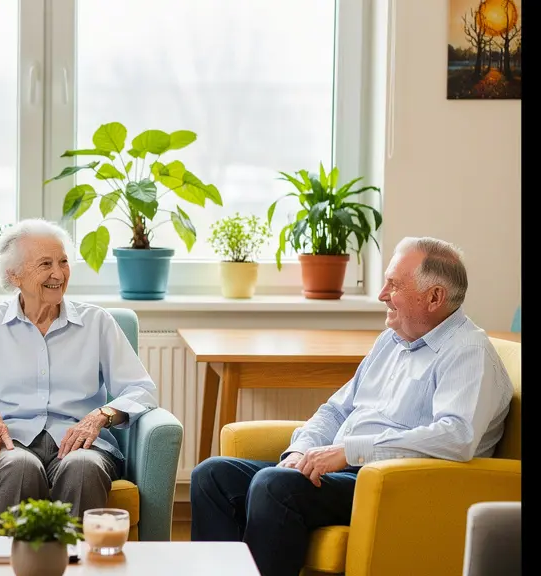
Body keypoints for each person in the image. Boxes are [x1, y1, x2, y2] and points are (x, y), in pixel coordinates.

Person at [189, 236, 514, 576]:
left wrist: (349, 451)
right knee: (212, 476)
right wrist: (299, 451)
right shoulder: (392, 341)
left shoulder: (467, 352)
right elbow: (336, 410)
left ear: (435, 297)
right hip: (345, 473)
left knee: (274, 486)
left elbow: (456, 436)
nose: (382, 294)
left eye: (394, 285)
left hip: (396, 486)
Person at [0, 218, 159, 533]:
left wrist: (103, 414)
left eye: (63, 262)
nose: (58, 274)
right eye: (45, 264)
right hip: (7, 444)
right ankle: (9, 559)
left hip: (82, 444)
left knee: (83, 468)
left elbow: (142, 389)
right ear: (13, 275)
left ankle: (76, 561)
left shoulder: (97, 323)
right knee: (20, 467)